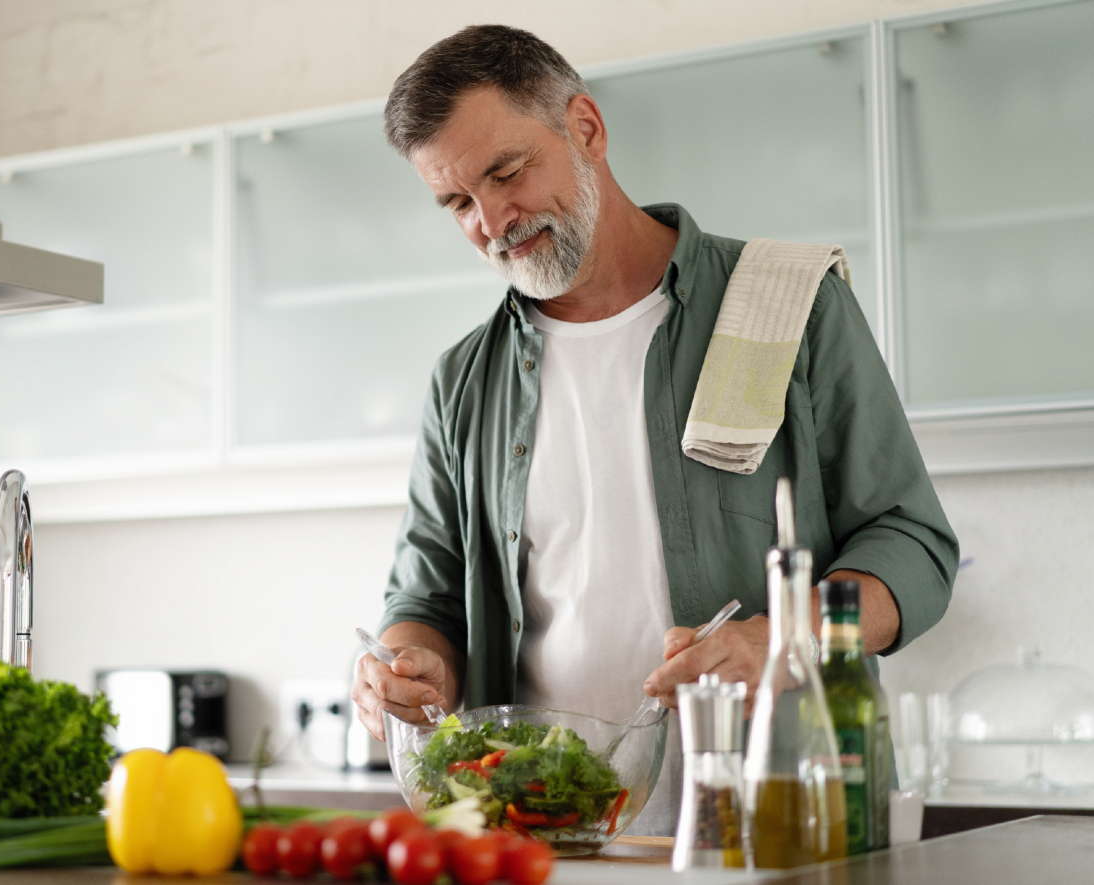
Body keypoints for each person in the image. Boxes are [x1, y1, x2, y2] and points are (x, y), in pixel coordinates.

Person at [350, 24, 958, 834]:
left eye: (506, 171)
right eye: (458, 201)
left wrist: (784, 637)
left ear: (587, 129)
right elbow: (426, 594)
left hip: (779, 825)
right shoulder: (464, 379)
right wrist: (409, 661)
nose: (492, 219)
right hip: (543, 837)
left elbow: (913, 545)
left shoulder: (788, 305)